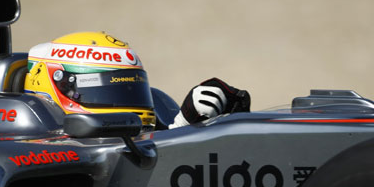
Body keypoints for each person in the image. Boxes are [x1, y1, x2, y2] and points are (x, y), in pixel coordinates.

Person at [24, 31, 250, 130]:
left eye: (129, 88)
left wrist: (186, 126)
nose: (123, 100)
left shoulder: (149, 121)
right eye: (106, 90)